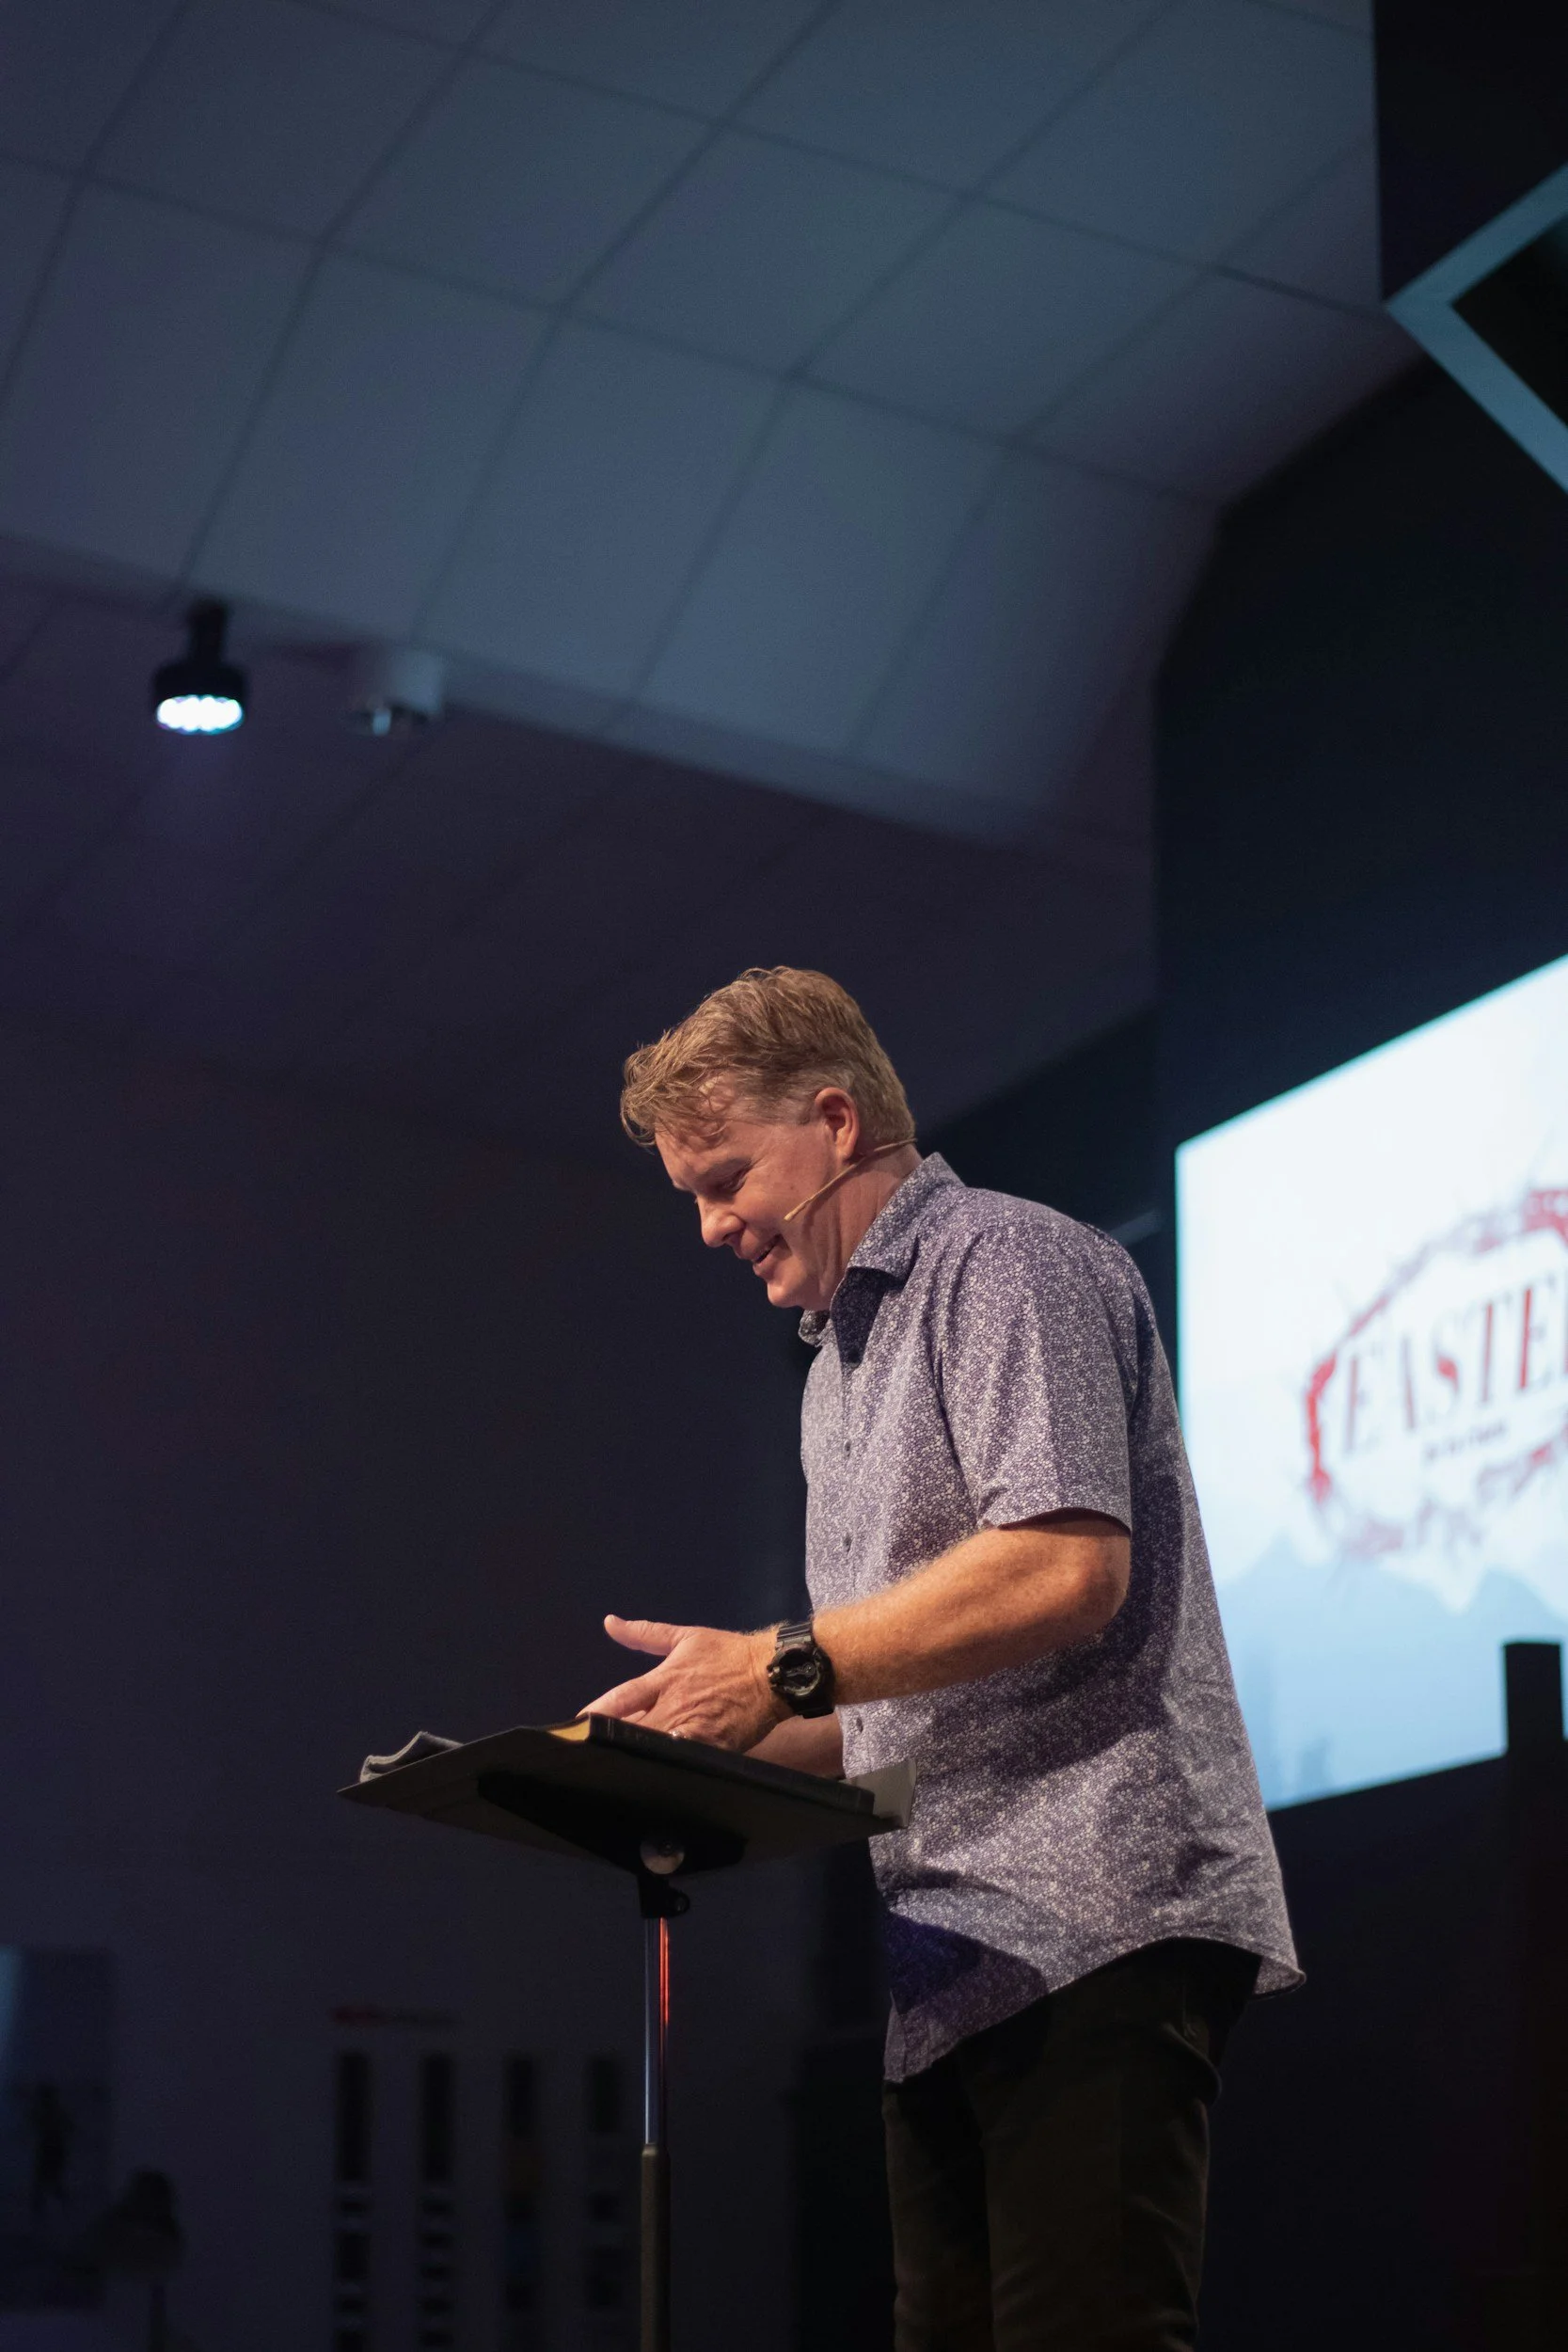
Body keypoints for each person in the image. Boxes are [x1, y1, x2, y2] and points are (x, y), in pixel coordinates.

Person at [584, 966, 1299, 2352]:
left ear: (838, 1121)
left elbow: (1062, 1565)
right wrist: (675, 1763)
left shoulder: (1008, 1262)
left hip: (1096, 1914)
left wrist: (778, 1667)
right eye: (689, 1192)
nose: (710, 1224)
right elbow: (877, 1712)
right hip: (950, 1967)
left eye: (725, 1176)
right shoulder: (834, 1377)